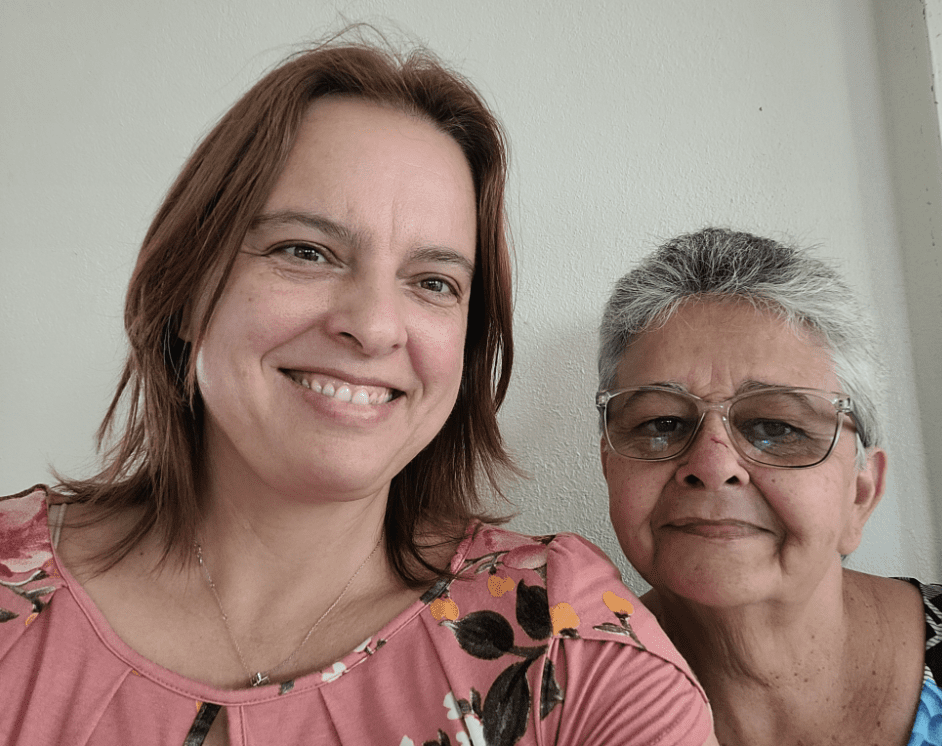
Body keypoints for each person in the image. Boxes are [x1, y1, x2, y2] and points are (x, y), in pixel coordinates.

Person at [0, 36, 717, 746]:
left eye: (433, 282)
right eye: (306, 252)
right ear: (186, 292)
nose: (374, 327)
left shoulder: (567, 642)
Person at [596, 227, 942, 746]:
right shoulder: (549, 699)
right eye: (663, 423)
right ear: (609, 466)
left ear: (861, 494)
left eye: (776, 427)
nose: (713, 466)